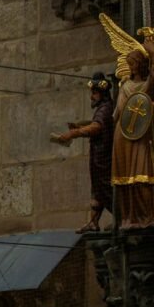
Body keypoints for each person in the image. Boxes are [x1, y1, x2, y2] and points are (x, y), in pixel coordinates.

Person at [99, 3, 154, 230]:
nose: (132, 67)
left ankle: (148, 216)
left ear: (141, 64)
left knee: (144, 174)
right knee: (125, 180)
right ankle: (127, 218)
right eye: (130, 64)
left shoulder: (146, 84)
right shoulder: (125, 84)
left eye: (134, 63)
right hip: (123, 134)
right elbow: (117, 114)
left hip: (140, 133)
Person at [50, 72, 114, 233]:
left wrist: (74, 133)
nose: (92, 97)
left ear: (102, 94)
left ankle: (119, 217)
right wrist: (78, 127)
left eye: (94, 93)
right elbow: (94, 124)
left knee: (106, 188)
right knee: (97, 189)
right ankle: (93, 222)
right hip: (98, 156)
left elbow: (97, 127)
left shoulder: (106, 108)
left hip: (105, 158)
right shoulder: (102, 108)